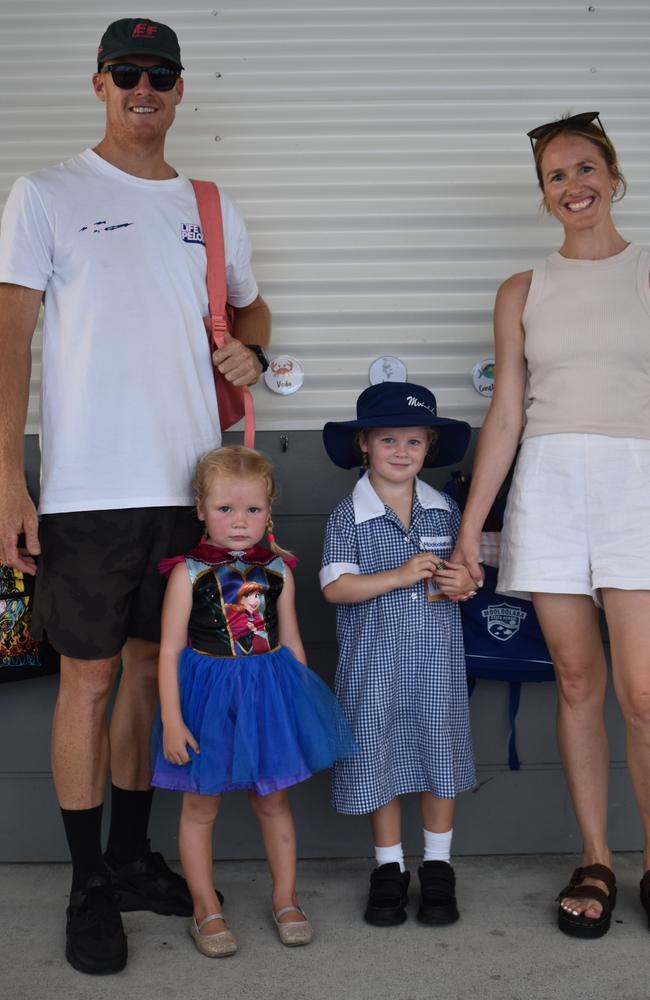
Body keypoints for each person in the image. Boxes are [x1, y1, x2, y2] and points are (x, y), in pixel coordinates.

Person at [0, 17, 271, 975]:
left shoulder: (208, 202)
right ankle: (87, 886)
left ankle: (129, 853)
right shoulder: (46, 193)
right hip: (86, 489)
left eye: (160, 74)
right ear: (100, 83)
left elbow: (248, 306)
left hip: (191, 488)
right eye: (127, 73)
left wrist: (254, 346)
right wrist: (7, 479)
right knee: (89, 678)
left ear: (180, 89)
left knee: (154, 675)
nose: (143, 88)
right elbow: (12, 342)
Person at [452, 111, 650, 939]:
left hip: (636, 482)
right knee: (576, 683)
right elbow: (505, 415)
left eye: (585, 168)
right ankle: (597, 858)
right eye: (556, 177)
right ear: (544, 196)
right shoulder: (522, 289)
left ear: (614, 176)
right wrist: (468, 530)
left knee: (643, 693)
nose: (574, 186)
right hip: (551, 486)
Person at [150, 446, 357, 955]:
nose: (239, 522)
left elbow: (293, 642)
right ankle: (205, 907)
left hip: (269, 693)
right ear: (200, 508)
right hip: (206, 695)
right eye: (225, 509)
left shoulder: (278, 570)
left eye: (252, 510)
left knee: (273, 799)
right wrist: (173, 721)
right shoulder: (189, 573)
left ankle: (285, 898)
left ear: (270, 511)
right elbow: (170, 649)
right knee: (200, 804)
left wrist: (300, 710)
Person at [320, 381, 476, 927]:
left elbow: (466, 580)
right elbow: (335, 588)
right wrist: (400, 574)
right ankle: (389, 868)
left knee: (439, 756)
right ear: (364, 444)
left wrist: (460, 581)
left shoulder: (444, 510)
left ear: (429, 446)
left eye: (414, 441)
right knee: (378, 759)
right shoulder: (348, 516)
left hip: (436, 664)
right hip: (374, 667)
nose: (401, 452)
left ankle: (438, 866)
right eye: (388, 439)